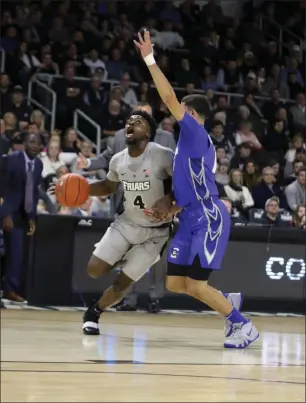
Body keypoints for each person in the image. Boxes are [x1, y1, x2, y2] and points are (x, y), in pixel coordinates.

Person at [134, 29, 258, 349]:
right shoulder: (188, 149)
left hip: (208, 218)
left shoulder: (195, 134)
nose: (176, 116)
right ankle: (225, 300)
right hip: (189, 217)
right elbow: (189, 191)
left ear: (191, 115)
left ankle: (242, 326)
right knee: (176, 283)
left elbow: (168, 98)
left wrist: (150, 59)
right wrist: (168, 209)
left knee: (197, 285)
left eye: (181, 113)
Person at [74, 109, 175, 335]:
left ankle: (94, 312)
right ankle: (124, 258)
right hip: (126, 223)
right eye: (128, 121)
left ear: (148, 133)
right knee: (94, 270)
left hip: (156, 234)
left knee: (122, 283)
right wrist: (79, 190)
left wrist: (169, 199)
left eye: (137, 122)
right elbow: (108, 187)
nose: (130, 124)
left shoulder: (163, 154)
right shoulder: (118, 160)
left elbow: (184, 184)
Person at [0, 133, 42, 303]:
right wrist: (5, 214)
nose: (35, 146)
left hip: (22, 215)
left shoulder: (38, 164)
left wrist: (32, 217)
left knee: (16, 255)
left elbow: (34, 191)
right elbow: (3, 187)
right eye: (32, 142)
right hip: (6, 212)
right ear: (24, 143)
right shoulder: (12, 159)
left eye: (38, 143)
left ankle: (9, 289)